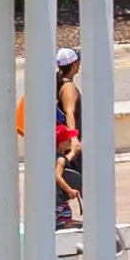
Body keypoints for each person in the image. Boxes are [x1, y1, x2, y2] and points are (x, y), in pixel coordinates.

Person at [55, 44, 82, 226]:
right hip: (72, 141)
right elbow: (70, 112)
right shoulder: (69, 87)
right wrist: (74, 139)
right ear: (73, 65)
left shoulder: (60, 83)